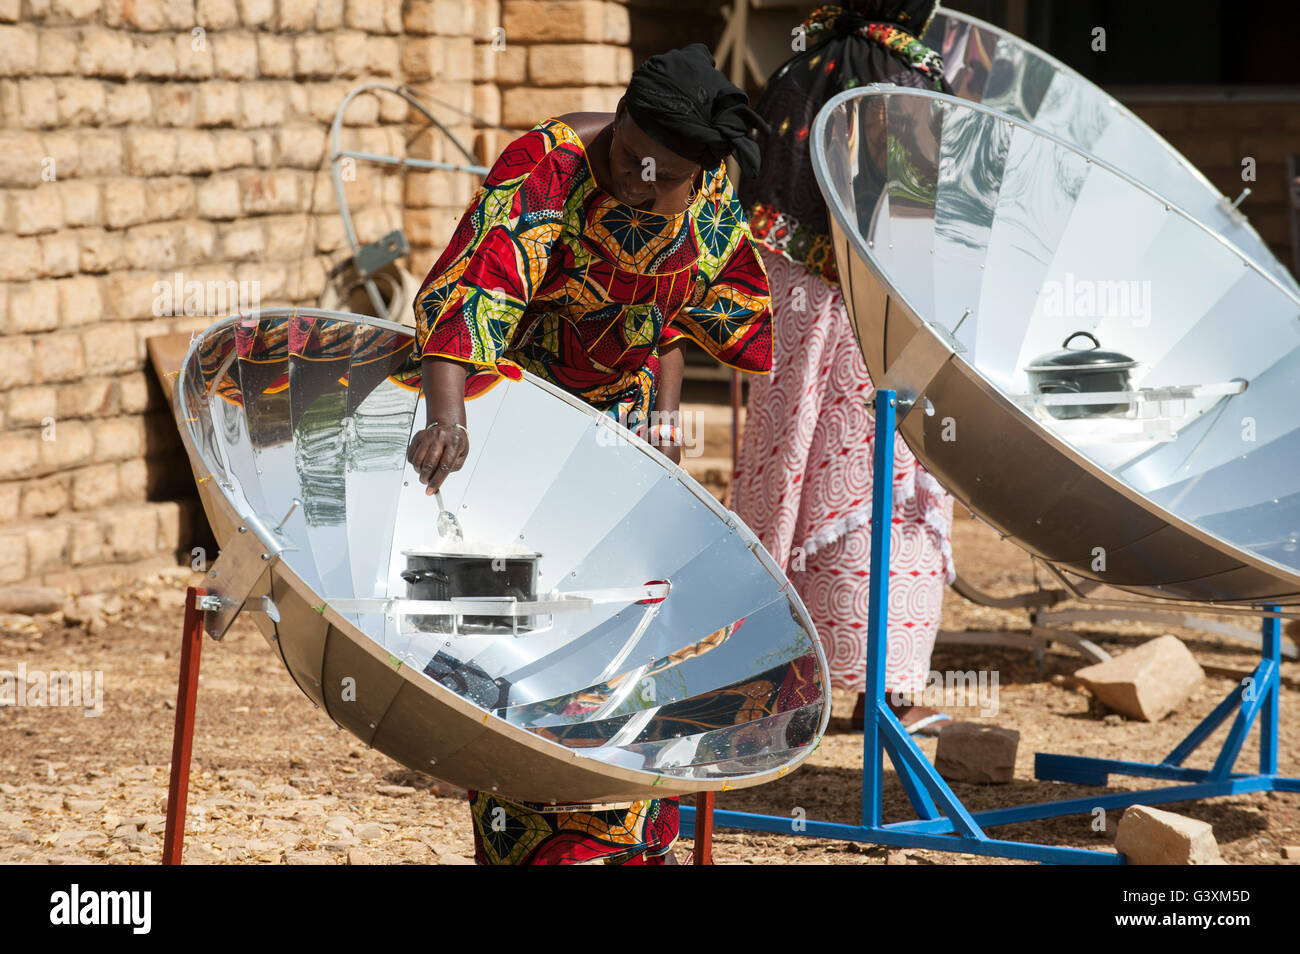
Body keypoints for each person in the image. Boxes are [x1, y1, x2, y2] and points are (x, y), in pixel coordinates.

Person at [406, 43, 773, 864]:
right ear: (618, 119)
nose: (642, 180)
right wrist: (448, 417)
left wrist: (662, 442)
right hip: (513, 422)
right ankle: (533, 845)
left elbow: (670, 325)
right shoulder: (547, 167)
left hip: (617, 433)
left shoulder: (708, 193)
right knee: (520, 642)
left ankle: (634, 845)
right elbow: (472, 289)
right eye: (631, 157)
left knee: (623, 642)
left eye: (665, 174)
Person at [732, 1, 956, 735]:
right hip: (875, 310)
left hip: (788, 308)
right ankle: (882, 691)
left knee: (791, 478)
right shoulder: (910, 78)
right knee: (883, 482)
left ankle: (784, 676)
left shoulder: (797, 68)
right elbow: (916, 227)